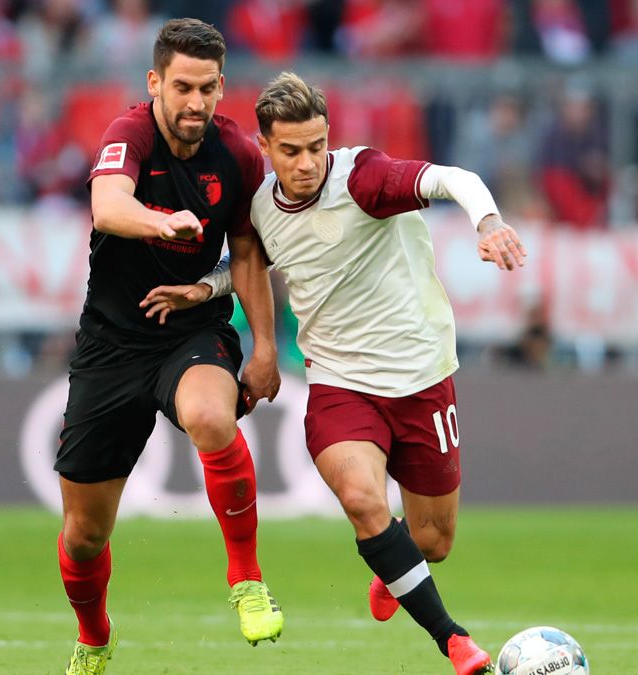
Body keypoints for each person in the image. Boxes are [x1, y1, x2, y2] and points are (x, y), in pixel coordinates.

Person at [141, 72, 527, 675]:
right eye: (290, 151)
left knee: (433, 542)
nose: (306, 163)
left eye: (316, 146)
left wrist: (487, 222)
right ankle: (454, 640)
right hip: (340, 385)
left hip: (422, 379)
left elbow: (456, 179)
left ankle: (397, 571)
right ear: (266, 150)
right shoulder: (262, 209)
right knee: (361, 498)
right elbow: (247, 265)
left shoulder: (364, 180)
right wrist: (201, 289)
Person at [54, 18, 284, 675]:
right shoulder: (128, 135)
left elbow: (246, 252)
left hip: (192, 330)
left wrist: (264, 347)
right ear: (155, 82)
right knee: (85, 532)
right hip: (111, 344)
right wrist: (163, 221)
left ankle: (246, 579)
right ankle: (94, 636)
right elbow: (106, 206)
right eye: (182, 86)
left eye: (208, 88)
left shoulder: (237, 155)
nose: (195, 102)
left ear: (221, 88)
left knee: (212, 418)